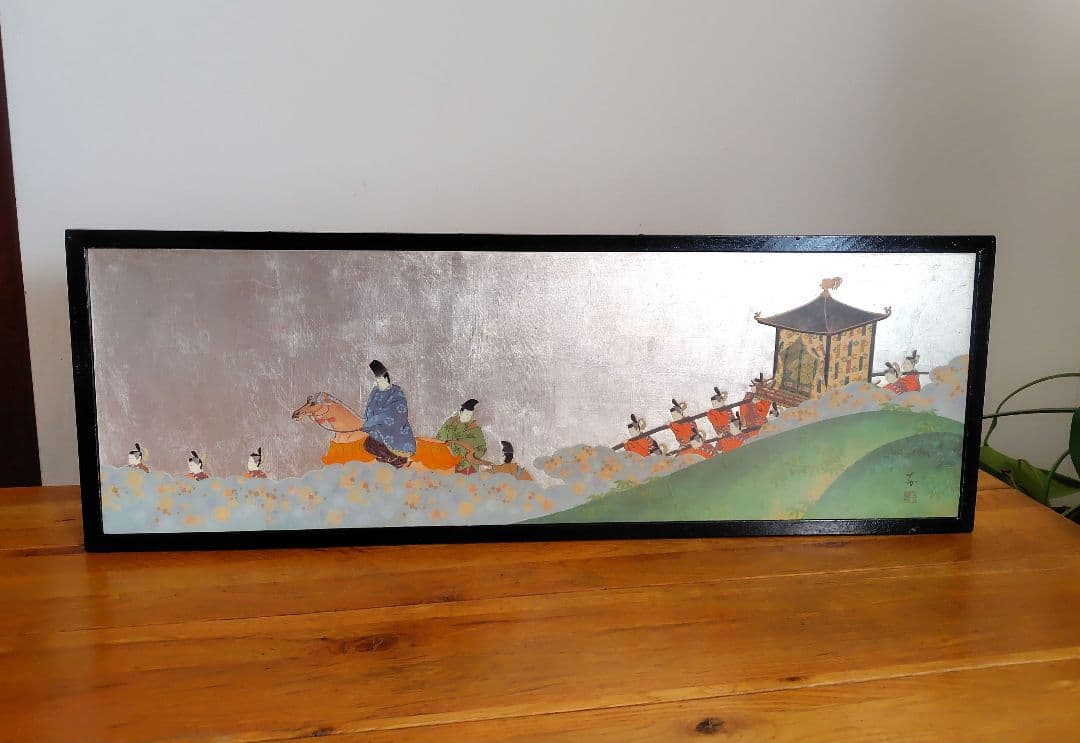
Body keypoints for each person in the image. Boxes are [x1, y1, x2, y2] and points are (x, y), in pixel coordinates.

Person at [361, 360, 417, 468]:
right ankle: (385, 459)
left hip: (394, 430)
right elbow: (369, 408)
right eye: (376, 379)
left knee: (384, 445)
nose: (377, 382)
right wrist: (368, 421)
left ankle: (396, 460)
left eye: (379, 379)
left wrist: (374, 421)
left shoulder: (396, 392)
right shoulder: (376, 391)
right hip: (377, 429)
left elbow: (393, 413)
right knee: (368, 445)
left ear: (386, 378)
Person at [437, 399, 488, 474]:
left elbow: (482, 447)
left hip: (467, 465)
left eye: (470, 415)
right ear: (460, 412)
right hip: (448, 461)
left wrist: (471, 454)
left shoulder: (475, 429)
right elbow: (440, 438)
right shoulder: (450, 423)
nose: (468, 417)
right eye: (466, 414)